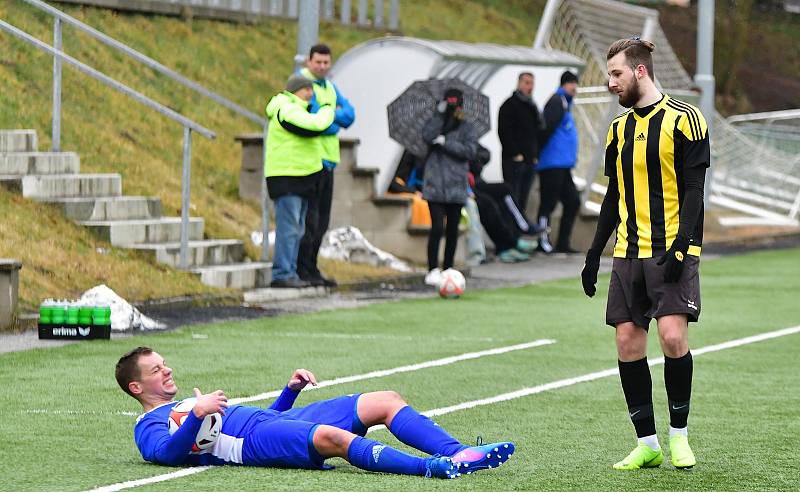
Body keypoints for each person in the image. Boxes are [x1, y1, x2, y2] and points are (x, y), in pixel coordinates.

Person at [581, 37, 710, 471]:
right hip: (627, 252)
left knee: (673, 338)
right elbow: (614, 196)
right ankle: (647, 443)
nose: (609, 81)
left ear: (640, 71)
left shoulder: (686, 119)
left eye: (616, 73)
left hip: (673, 247)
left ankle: (679, 438)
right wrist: (593, 254)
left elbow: (694, 191)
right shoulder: (618, 129)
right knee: (627, 342)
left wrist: (680, 249)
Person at [115, 346, 515, 479]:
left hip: (268, 422)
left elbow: (268, 418)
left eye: (164, 364)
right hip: (251, 445)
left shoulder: (185, 403)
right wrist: (199, 414)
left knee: (384, 399)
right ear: (137, 387)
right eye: (156, 369)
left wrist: (287, 394)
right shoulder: (147, 424)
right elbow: (165, 455)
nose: (167, 370)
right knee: (332, 439)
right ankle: (432, 468)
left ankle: (460, 452)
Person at [265, 75, 334, 288]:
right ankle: (282, 273)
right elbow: (316, 125)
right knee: (290, 228)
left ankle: (290, 272)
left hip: (302, 179)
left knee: (299, 228)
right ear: (296, 90)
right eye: (307, 89)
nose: (310, 93)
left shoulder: (297, 108)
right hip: (288, 178)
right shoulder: (286, 108)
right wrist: (328, 109)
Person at [296, 43, 356, 288]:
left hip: (329, 161)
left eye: (326, 62)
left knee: (322, 220)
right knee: (308, 220)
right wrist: (333, 118)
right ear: (309, 62)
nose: (322, 66)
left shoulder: (330, 87)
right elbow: (318, 121)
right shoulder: (301, 84)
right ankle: (303, 269)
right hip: (311, 161)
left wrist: (330, 117)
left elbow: (349, 115)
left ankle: (313, 267)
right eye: (318, 62)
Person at [421, 88, 478, 286]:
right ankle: (432, 268)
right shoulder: (436, 121)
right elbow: (427, 136)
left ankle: (448, 267)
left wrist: (447, 143)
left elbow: (470, 151)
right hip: (435, 183)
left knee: (452, 228)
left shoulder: (466, 128)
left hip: (455, 184)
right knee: (437, 226)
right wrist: (439, 115)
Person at [536, 70, 582, 254]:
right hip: (552, 163)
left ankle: (563, 242)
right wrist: (538, 154)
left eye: (576, 84)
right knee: (548, 202)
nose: (575, 87)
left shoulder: (565, 103)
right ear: (564, 84)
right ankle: (542, 240)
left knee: (572, 201)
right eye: (571, 83)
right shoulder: (556, 101)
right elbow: (545, 128)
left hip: (562, 164)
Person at [498, 72, 542, 213]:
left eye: (532, 83)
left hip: (530, 161)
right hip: (514, 161)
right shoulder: (509, 105)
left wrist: (535, 155)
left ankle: (517, 232)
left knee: (523, 200)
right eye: (527, 82)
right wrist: (515, 154)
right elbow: (504, 132)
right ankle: (509, 232)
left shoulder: (532, 106)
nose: (530, 86)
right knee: (513, 199)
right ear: (519, 83)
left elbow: (537, 131)